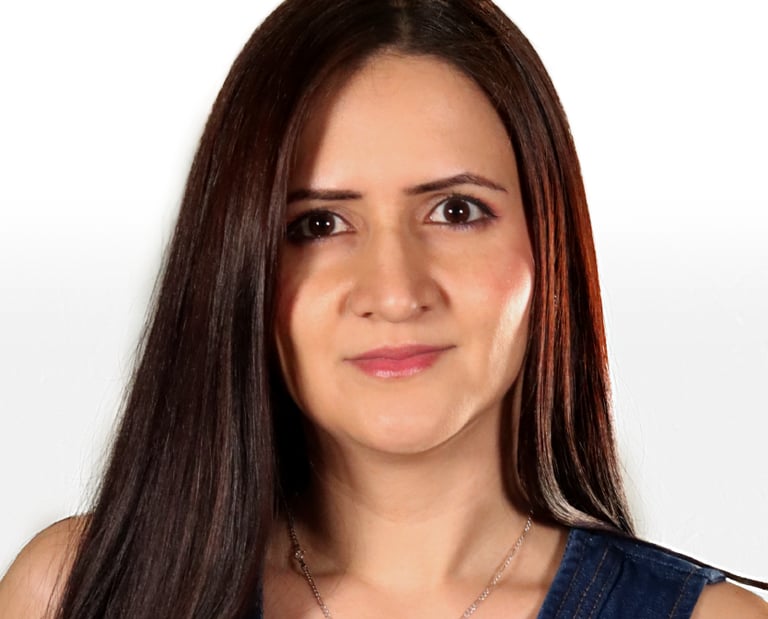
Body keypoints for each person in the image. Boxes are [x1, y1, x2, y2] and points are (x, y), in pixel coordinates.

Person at [0, 0, 766, 617]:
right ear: (238, 264)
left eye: (457, 211)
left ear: (548, 242)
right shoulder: (72, 593)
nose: (395, 291)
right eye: (319, 224)